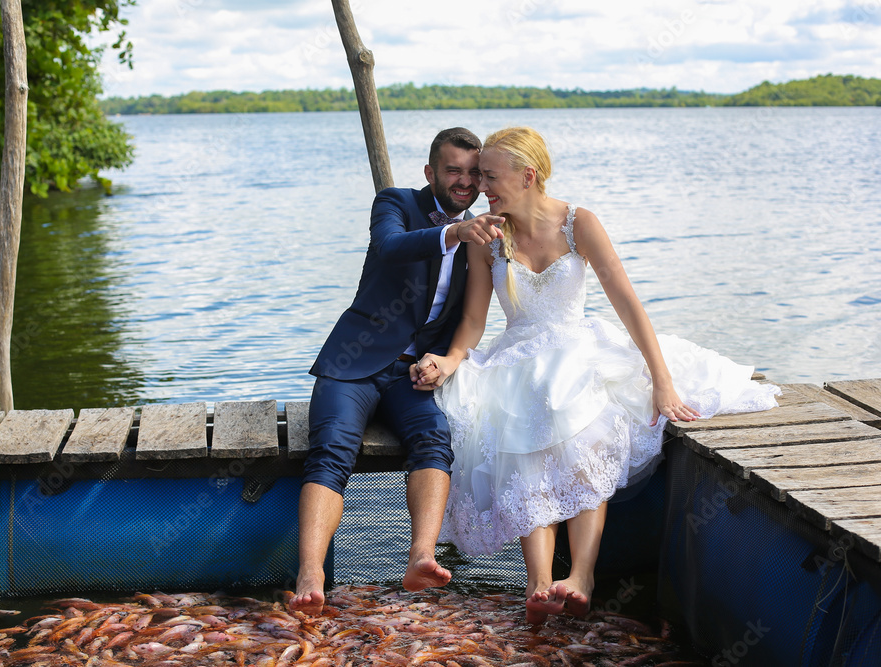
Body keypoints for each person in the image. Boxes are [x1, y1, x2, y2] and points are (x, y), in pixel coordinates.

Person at [411, 126, 780, 623]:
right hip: (518, 356)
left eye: (490, 176)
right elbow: (475, 321)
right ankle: (538, 584)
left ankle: (581, 575)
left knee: (586, 430)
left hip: (579, 347)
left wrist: (662, 380)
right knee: (518, 438)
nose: (481, 186)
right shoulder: (487, 234)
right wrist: (452, 361)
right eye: (479, 177)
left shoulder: (577, 222)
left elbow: (625, 299)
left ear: (528, 175)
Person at [291, 128, 505, 614]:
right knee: (330, 450)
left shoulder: (483, 235)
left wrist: (446, 362)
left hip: (413, 373)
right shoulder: (395, 203)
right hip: (354, 363)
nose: (464, 182)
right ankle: (310, 573)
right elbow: (390, 247)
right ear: (431, 173)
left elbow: (473, 318)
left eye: (473, 173)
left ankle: (422, 558)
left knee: (434, 438)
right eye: (453, 171)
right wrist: (452, 232)